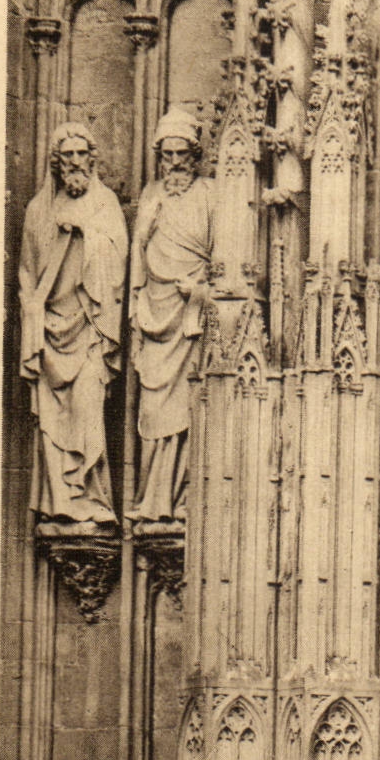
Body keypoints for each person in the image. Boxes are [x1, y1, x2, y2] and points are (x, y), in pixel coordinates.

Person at [19, 123, 128, 523]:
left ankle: (93, 499)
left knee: (87, 412)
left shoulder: (105, 204)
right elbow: (28, 272)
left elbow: (118, 264)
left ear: (93, 158)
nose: (76, 162)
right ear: (57, 162)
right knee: (52, 421)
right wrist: (33, 315)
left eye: (83, 154)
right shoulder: (39, 209)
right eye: (68, 156)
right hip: (50, 332)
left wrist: (85, 233)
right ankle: (60, 503)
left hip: (89, 331)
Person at [130, 107, 215, 521]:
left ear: (196, 155)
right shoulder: (149, 196)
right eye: (167, 154)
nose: (176, 162)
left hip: (191, 325)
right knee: (152, 409)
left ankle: (182, 500)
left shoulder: (211, 195)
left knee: (187, 410)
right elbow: (136, 258)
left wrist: (199, 291)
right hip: (153, 317)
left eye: (183, 153)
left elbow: (230, 267)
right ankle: (152, 499)